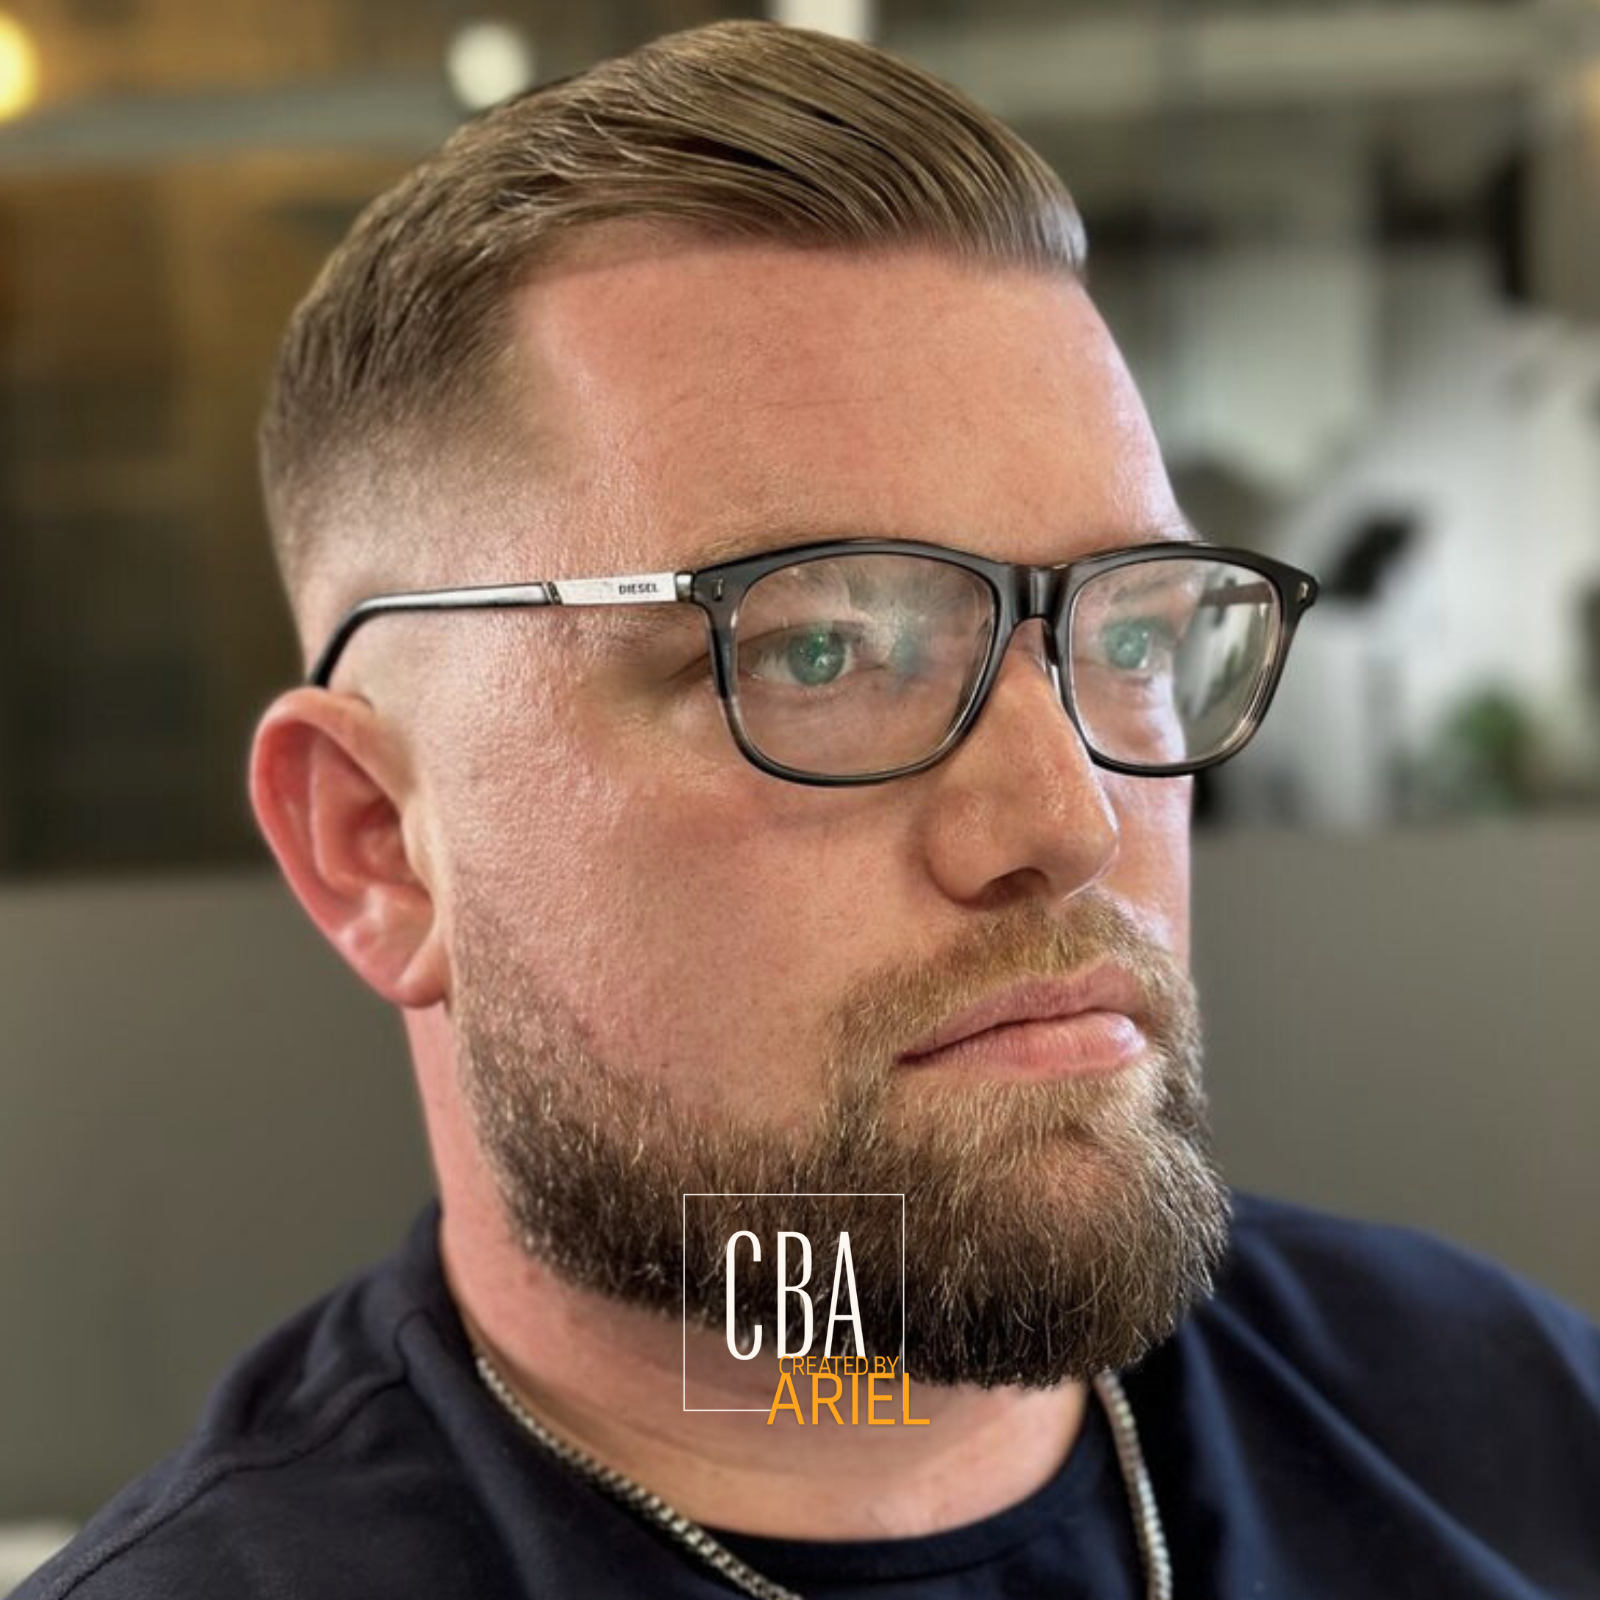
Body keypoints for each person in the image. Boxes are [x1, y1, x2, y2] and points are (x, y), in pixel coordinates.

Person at [18, 19, 1599, 1600]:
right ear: (378, 844)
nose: (1072, 823)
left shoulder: (1505, 1421)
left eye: (1129, 638)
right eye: (819, 651)